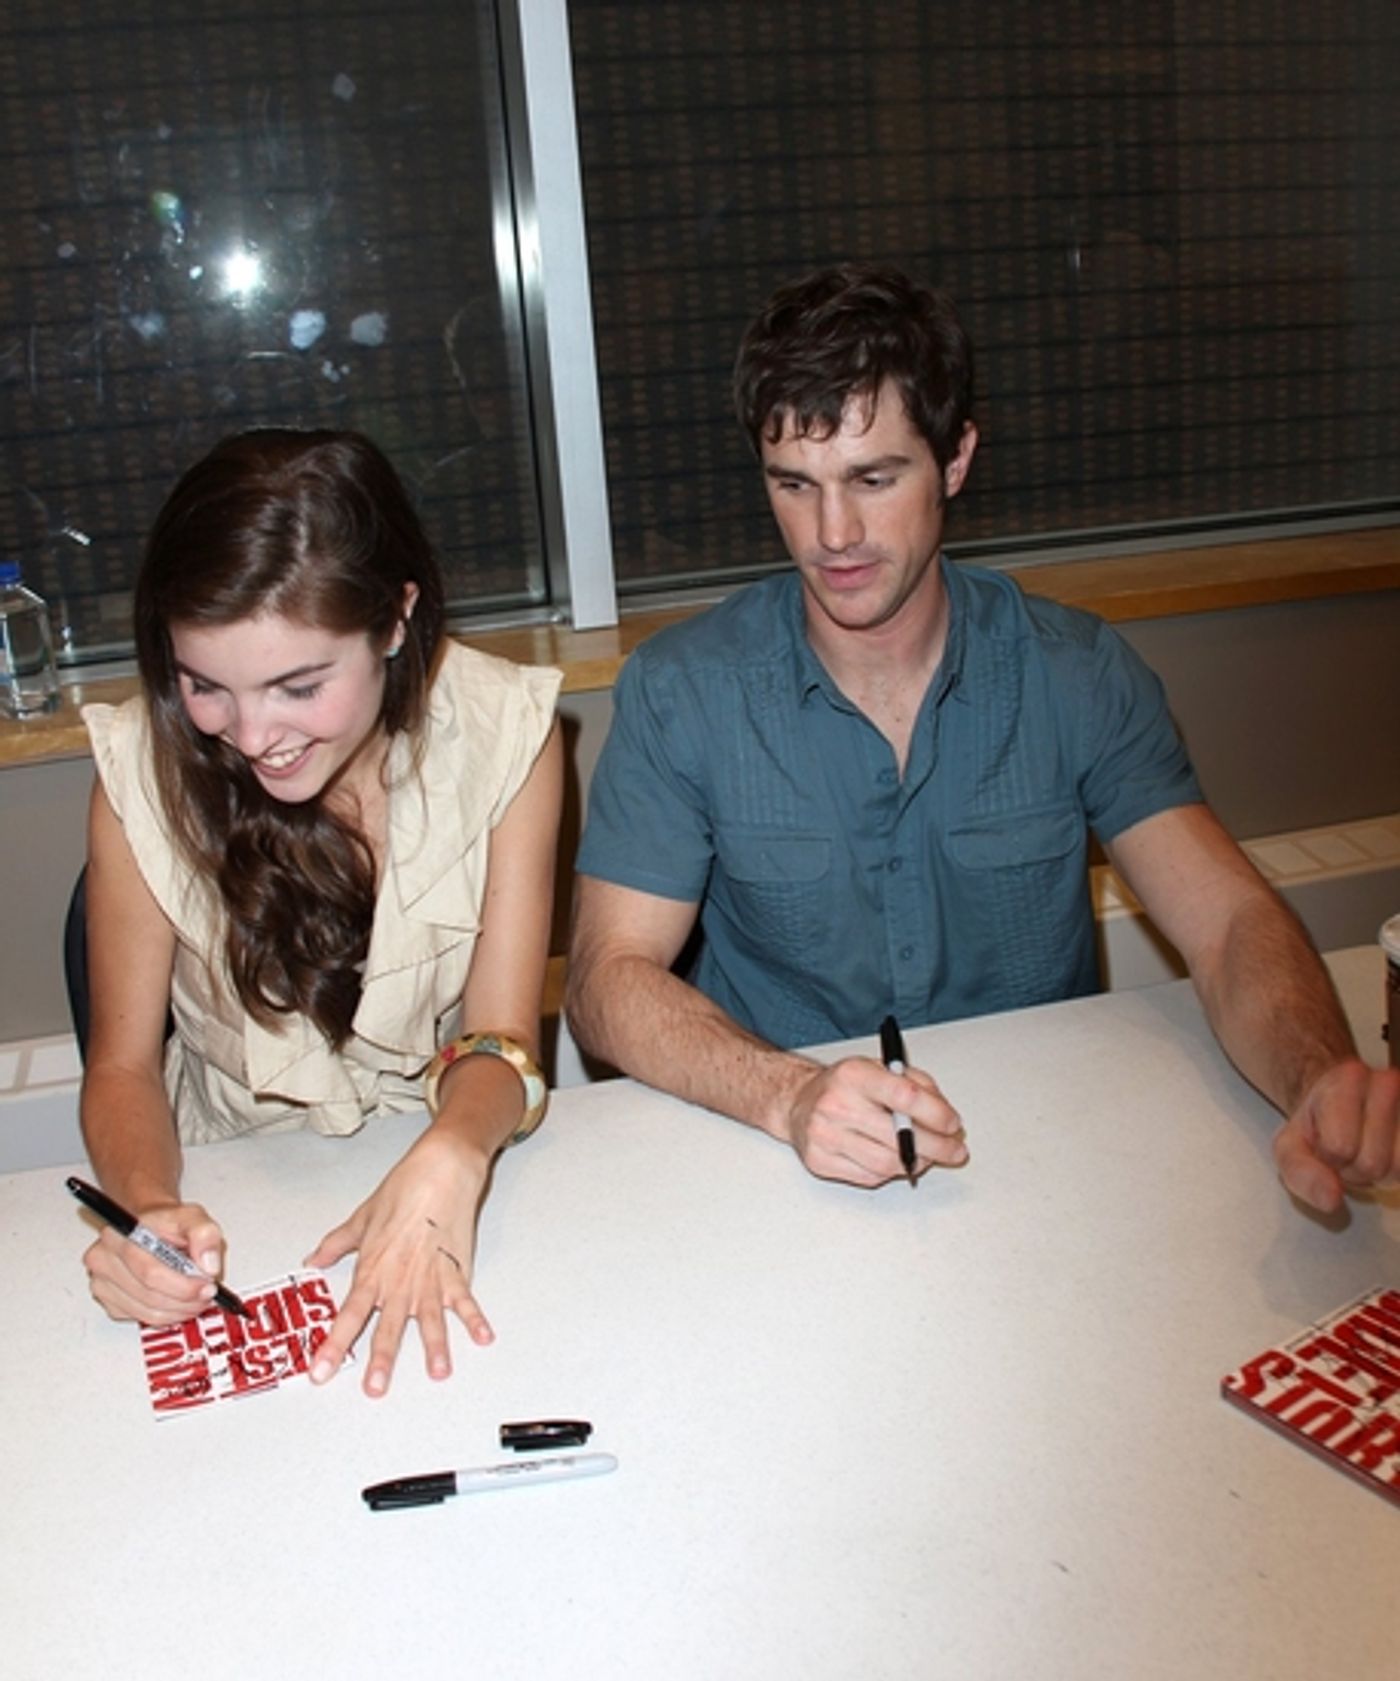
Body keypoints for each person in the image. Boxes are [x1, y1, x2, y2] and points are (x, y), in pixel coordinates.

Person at [567, 262, 1400, 1207]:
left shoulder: (1076, 672)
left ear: (956, 460)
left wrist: (1316, 1074)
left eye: (874, 478)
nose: (832, 532)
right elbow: (606, 981)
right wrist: (789, 1094)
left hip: (1044, 1159)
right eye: (794, 484)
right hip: (780, 1163)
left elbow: (1229, 923)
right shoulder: (684, 691)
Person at [79, 428, 562, 1397]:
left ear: (394, 620)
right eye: (204, 685)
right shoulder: (140, 768)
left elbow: (501, 1041)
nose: (252, 736)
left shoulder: (507, 731)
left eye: (299, 686)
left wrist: (453, 1150)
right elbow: (123, 1066)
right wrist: (145, 1210)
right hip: (228, 1192)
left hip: (431, 1154)